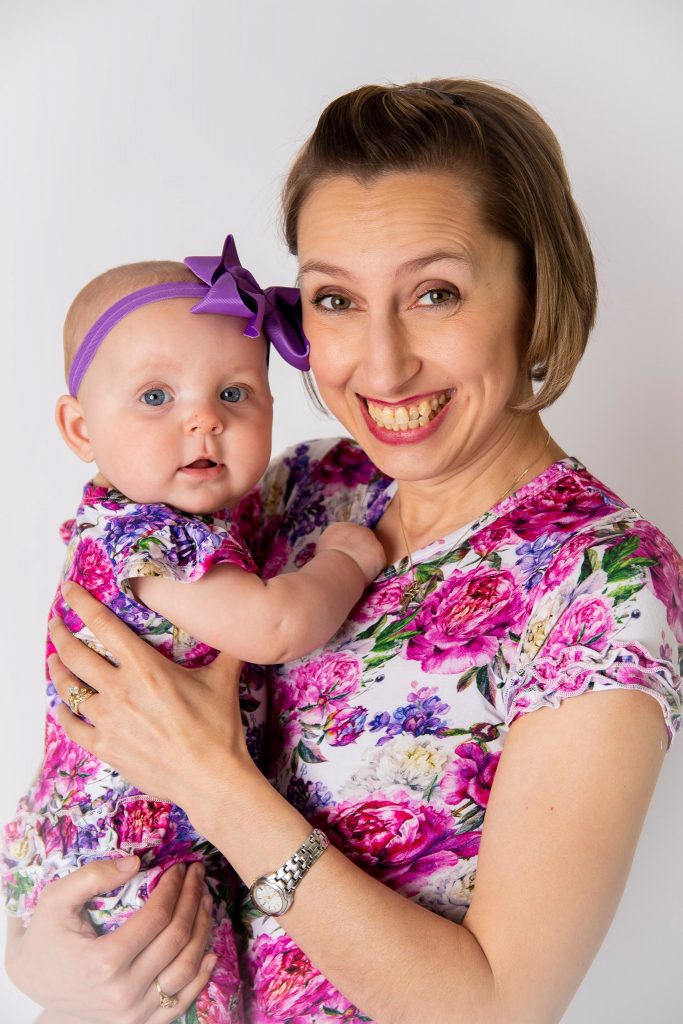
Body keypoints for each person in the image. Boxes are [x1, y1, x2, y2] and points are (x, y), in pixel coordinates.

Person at [6, 78, 682, 1024]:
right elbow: (90, 749)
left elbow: (493, 1009)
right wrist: (46, 963)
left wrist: (212, 778)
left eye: (434, 294)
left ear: (535, 293)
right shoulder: (298, 487)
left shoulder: (603, 581)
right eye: (334, 299)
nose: (381, 362)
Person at [0, 236, 384, 1023]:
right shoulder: (142, 542)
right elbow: (276, 623)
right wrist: (343, 557)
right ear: (80, 430)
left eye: (236, 395)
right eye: (154, 398)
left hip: (140, 841)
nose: (203, 420)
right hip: (131, 866)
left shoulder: (210, 522)